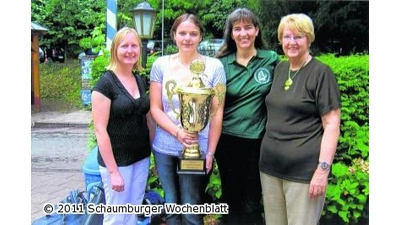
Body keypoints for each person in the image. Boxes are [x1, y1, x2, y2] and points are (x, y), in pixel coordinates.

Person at [259, 13, 341, 225]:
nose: (292, 42)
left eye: (298, 37)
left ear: (309, 39)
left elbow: (331, 124)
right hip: (270, 169)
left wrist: (322, 171)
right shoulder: (280, 69)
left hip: (303, 173)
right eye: (287, 37)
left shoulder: (321, 73)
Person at [149, 13, 226, 225]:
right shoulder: (160, 64)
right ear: (174, 35)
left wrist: (210, 151)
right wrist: (177, 132)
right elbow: (155, 108)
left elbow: (217, 113)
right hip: (164, 147)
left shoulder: (214, 67)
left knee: (191, 209)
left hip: (197, 147)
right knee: (172, 207)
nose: (187, 38)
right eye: (182, 33)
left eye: (193, 33)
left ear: (200, 36)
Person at [213, 8, 280, 225]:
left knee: (252, 201)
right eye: (238, 29)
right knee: (231, 199)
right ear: (231, 34)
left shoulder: (270, 59)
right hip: (227, 140)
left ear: (257, 30)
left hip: (257, 141)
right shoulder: (221, 64)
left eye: (248, 27)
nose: (243, 33)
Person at [91, 27, 154, 225]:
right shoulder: (105, 84)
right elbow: (100, 130)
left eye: (134, 45)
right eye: (124, 46)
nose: (130, 50)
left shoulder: (139, 79)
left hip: (140, 158)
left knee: (133, 212)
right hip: (117, 163)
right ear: (115, 50)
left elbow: (147, 118)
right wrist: (113, 172)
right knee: (117, 216)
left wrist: (152, 153)